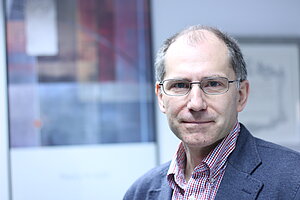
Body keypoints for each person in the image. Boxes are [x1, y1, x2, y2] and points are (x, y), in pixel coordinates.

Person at [123, 25, 300, 199]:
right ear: (161, 98)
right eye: (179, 85)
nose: (196, 104)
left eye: (213, 84)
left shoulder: (294, 180)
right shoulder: (140, 193)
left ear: (241, 95)